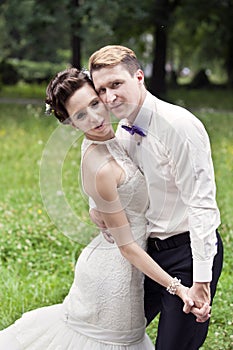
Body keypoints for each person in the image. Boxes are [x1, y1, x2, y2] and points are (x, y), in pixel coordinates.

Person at [0, 68, 208, 350]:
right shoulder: (101, 167)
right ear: (71, 124)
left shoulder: (117, 134)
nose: (95, 118)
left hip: (135, 260)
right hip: (115, 274)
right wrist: (178, 287)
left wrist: (94, 207)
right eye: (81, 116)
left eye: (94, 104)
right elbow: (128, 248)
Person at [88, 45, 224, 350]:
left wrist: (200, 281)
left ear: (139, 77)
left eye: (116, 84)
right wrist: (95, 205)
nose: (109, 97)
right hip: (146, 255)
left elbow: (201, 205)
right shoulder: (122, 130)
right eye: (102, 89)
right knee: (109, 335)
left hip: (187, 254)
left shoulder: (179, 126)